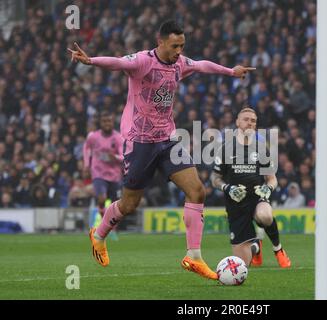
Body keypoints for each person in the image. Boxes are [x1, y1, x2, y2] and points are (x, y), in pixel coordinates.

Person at [68, 19, 255, 280]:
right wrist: (92, 61)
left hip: (168, 140)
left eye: (182, 45)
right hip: (139, 141)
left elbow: (201, 65)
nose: (179, 51)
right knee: (130, 203)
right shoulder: (143, 61)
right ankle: (98, 235)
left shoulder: (179, 63)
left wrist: (229, 71)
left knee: (196, 190)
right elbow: (119, 62)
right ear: (161, 41)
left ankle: (194, 257)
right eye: (175, 45)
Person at [210, 107, 291, 268]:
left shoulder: (262, 148)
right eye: (246, 119)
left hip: (257, 197)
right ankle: (256, 246)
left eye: (253, 121)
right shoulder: (225, 148)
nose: (250, 123)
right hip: (236, 202)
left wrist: (268, 189)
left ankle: (278, 249)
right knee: (242, 265)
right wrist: (227, 188)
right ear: (237, 122)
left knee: (265, 216)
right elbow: (215, 178)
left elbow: (272, 179)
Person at [83, 111, 123, 239]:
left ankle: (112, 228)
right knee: (101, 198)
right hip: (98, 173)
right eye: (104, 121)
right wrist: (86, 165)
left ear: (112, 122)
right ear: (100, 123)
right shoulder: (93, 137)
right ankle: (105, 226)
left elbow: (124, 156)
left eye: (109, 121)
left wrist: (115, 157)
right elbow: (86, 148)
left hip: (114, 175)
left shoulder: (118, 138)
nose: (107, 123)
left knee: (114, 204)